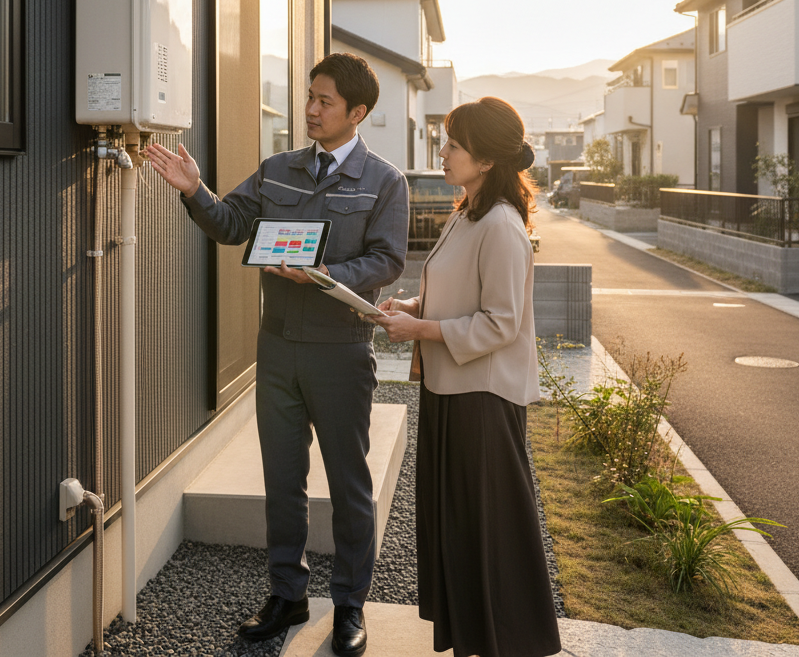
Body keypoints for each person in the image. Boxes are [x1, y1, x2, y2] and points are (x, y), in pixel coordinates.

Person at [144, 53, 409, 657]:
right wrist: (195, 191)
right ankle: (288, 594)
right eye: (309, 96)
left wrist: (325, 274)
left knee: (348, 484)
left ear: (357, 112)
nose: (310, 109)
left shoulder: (384, 181)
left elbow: (387, 260)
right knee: (282, 481)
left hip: (341, 352)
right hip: (279, 350)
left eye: (324, 101)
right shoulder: (278, 169)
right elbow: (231, 224)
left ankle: (349, 605)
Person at [374, 96, 561, 657]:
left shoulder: (500, 224)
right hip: (452, 389)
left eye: (454, 145)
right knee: (461, 526)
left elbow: (501, 322)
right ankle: (475, 638)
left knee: (487, 528)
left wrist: (421, 329)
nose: (443, 151)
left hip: (482, 399)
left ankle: (506, 641)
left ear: (486, 160)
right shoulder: (467, 213)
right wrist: (412, 307)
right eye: (447, 141)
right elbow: (459, 297)